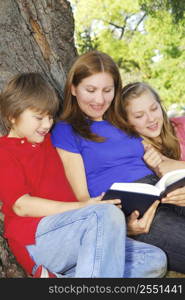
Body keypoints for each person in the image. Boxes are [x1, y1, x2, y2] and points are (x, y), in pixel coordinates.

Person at [0, 72, 167, 279]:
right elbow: (21, 206)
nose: (46, 124)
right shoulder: (4, 150)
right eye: (38, 117)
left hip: (79, 237)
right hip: (36, 239)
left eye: (50, 116)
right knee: (104, 213)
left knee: (153, 258)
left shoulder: (52, 142)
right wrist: (84, 207)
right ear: (12, 116)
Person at [51, 50, 168, 277]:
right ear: (73, 89)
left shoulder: (123, 122)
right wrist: (123, 226)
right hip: (132, 210)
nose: (99, 100)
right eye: (91, 90)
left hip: (159, 190)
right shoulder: (67, 130)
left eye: (107, 90)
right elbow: (83, 198)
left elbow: (161, 162)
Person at [120, 81, 185, 273]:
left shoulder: (180, 126)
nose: (150, 119)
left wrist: (165, 162)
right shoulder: (135, 148)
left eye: (153, 108)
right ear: (127, 121)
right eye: (139, 116)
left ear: (160, 104)